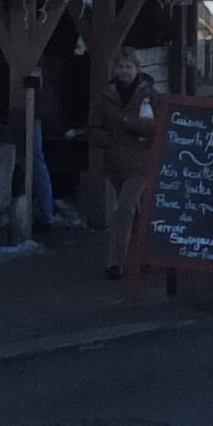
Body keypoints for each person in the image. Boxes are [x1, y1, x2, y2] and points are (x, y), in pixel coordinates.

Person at [88, 52, 161, 269]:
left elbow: (157, 128)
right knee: (135, 211)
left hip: (141, 163)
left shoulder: (151, 96)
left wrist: (128, 122)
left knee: (124, 209)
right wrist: (106, 141)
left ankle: (116, 263)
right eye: (121, 67)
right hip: (115, 162)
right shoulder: (105, 97)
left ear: (138, 68)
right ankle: (145, 254)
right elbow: (93, 127)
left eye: (129, 67)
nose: (124, 71)